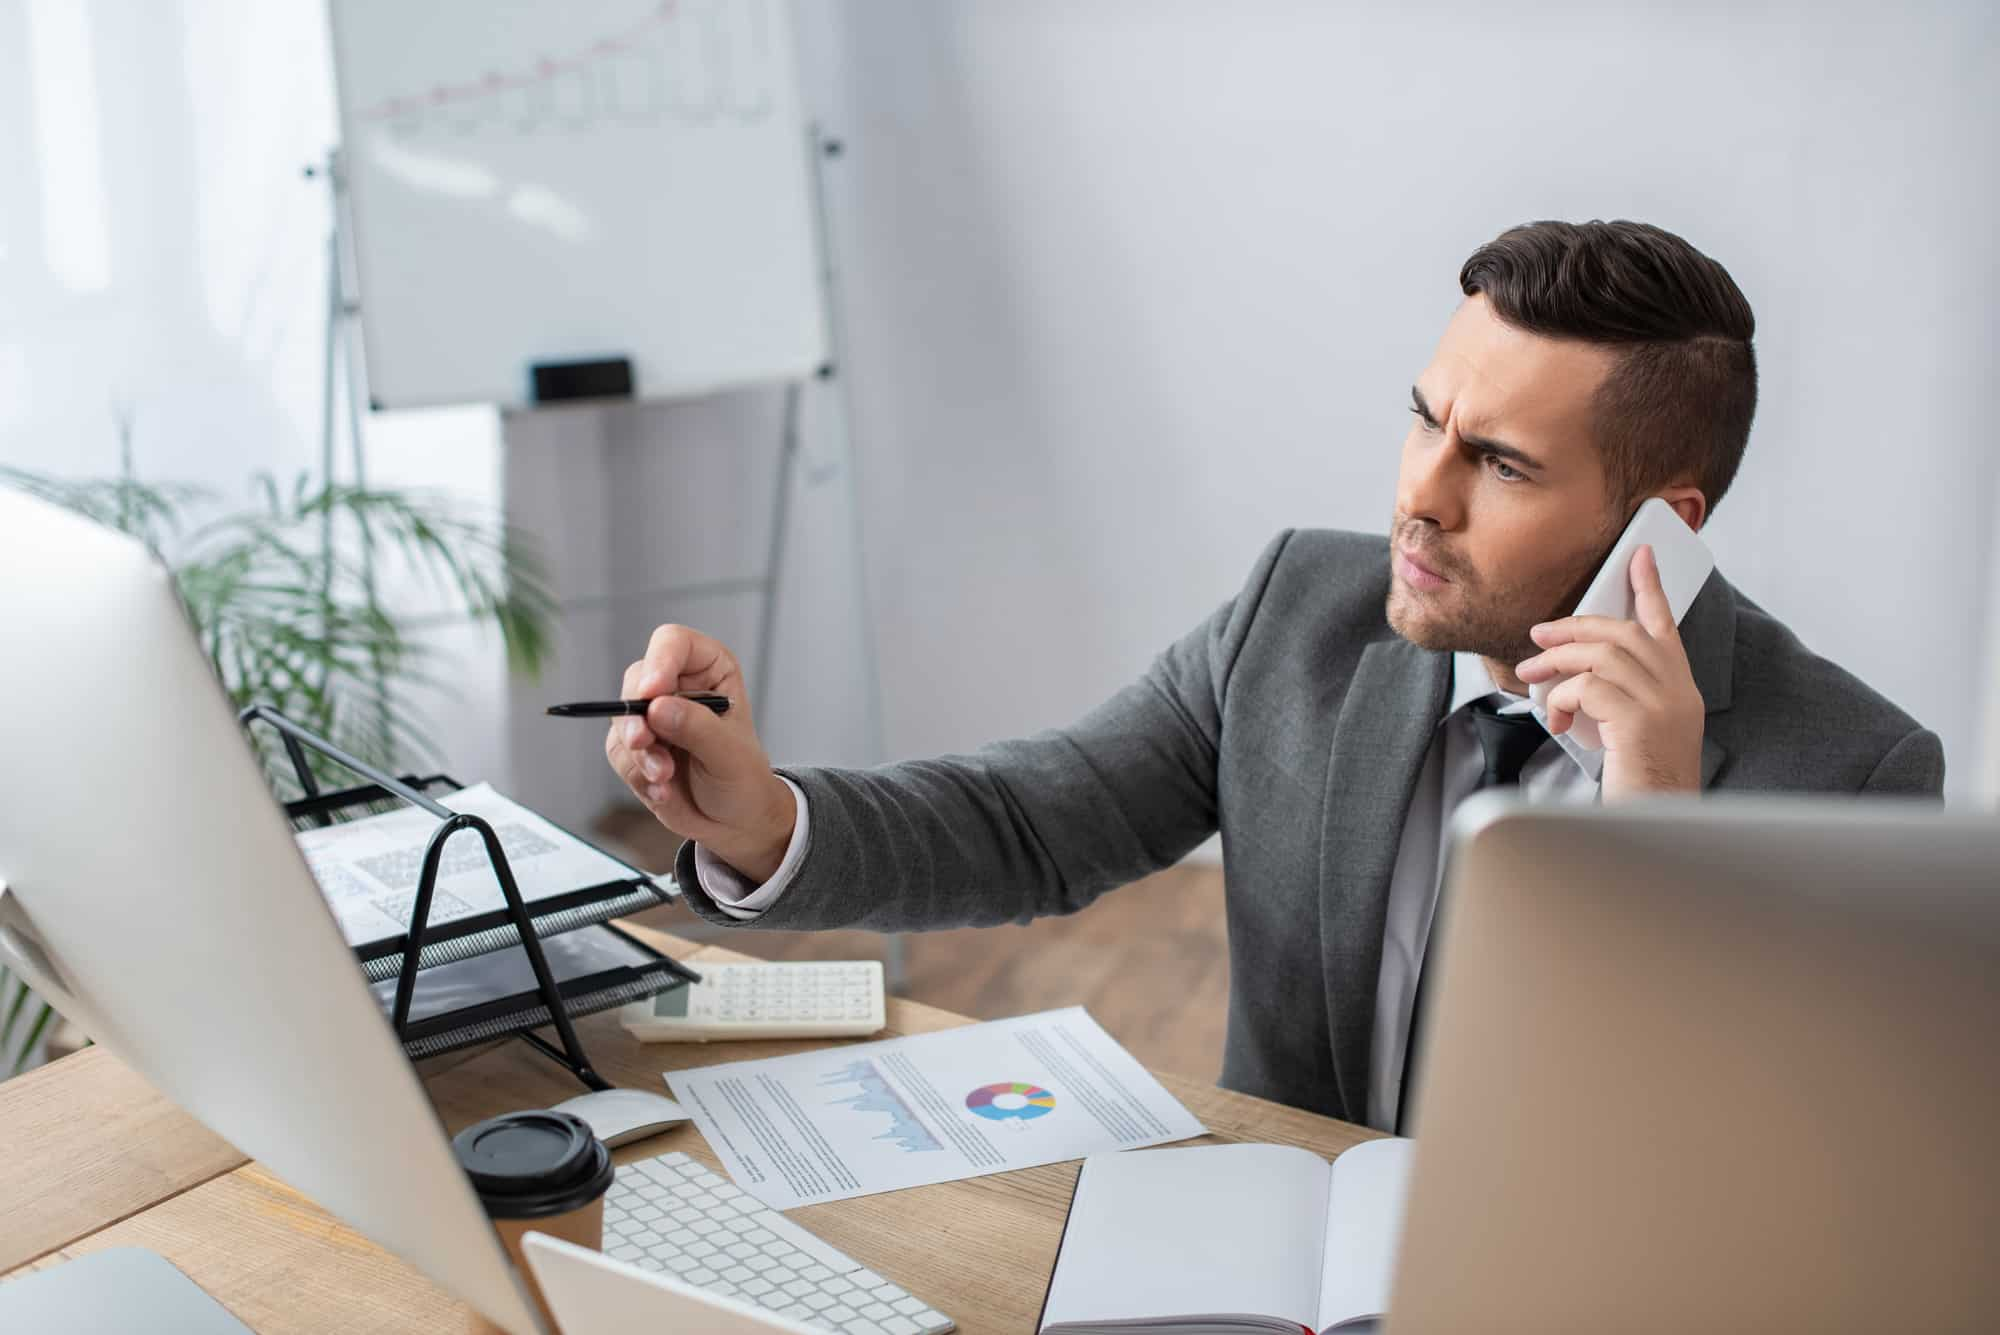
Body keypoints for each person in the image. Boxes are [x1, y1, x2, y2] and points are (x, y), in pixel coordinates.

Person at [603, 219, 1943, 1132]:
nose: (1421, 498)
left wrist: (1657, 835)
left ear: (1667, 523)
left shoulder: (1851, 772)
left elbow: (1791, 1171)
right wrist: (766, 817)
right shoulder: (1305, 608)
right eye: (1429, 419)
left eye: (1505, 465)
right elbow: (1034, 819)